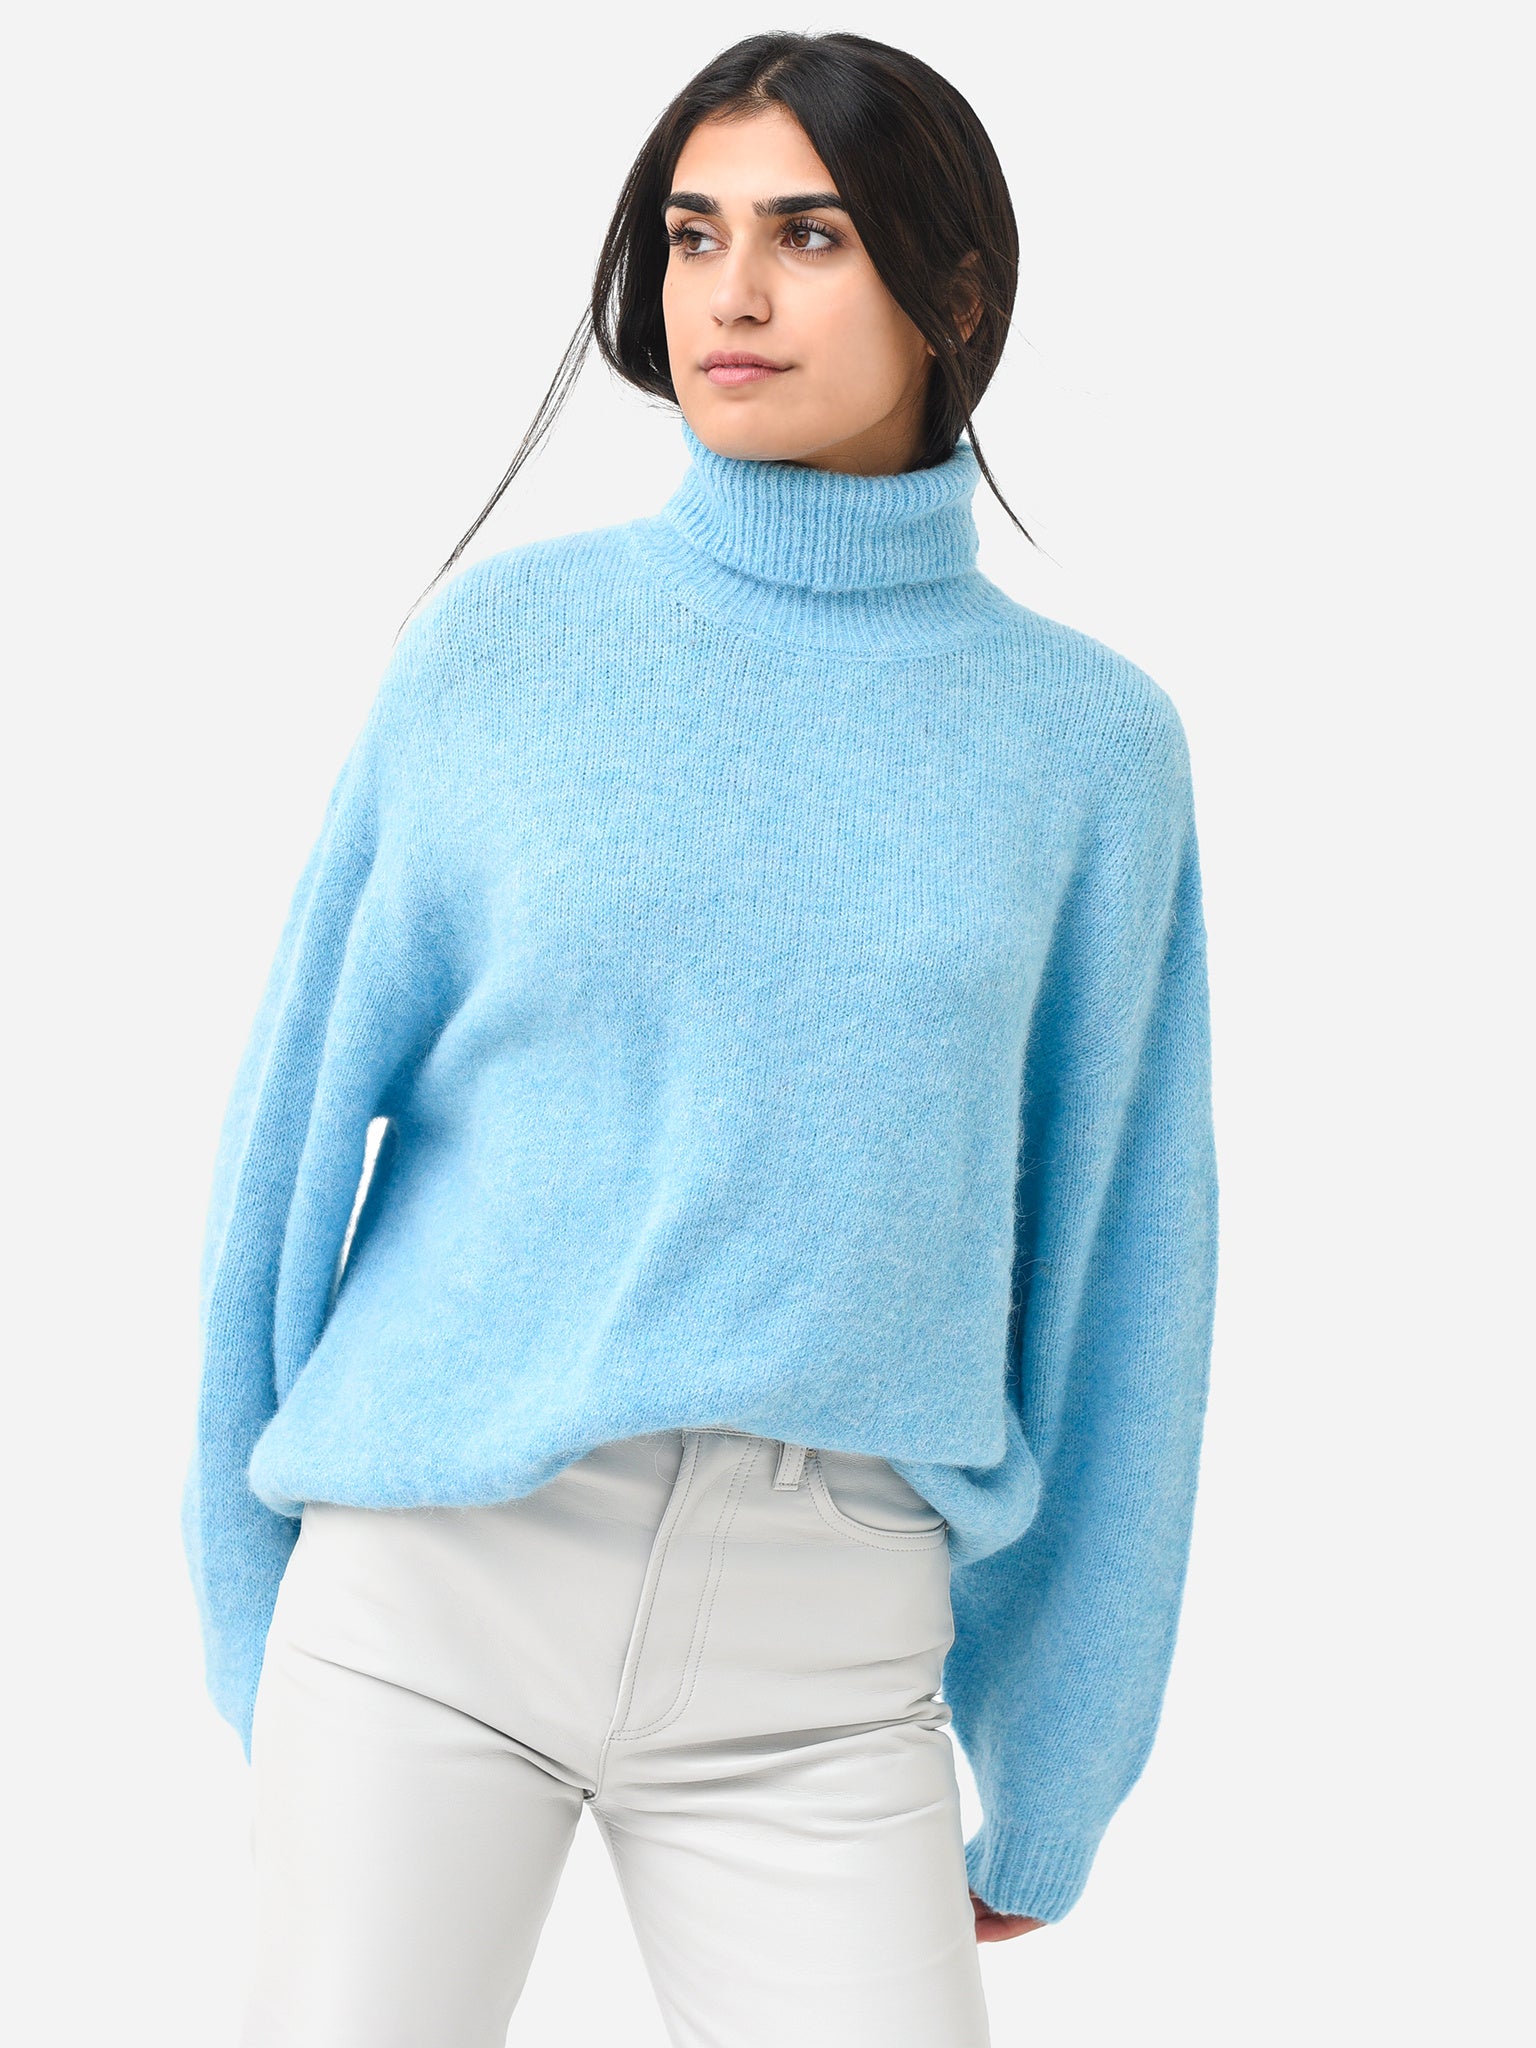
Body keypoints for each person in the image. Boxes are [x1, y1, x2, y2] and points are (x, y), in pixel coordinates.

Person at [181, 29, 1219, 2048]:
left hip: (826, 1657)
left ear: (955, 290)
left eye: (808, 236)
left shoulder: (1092, 748)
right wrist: (252, 1606)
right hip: (430, 1597)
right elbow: (285, 1143)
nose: (730, 294)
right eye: (691, 233)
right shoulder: (498, 652)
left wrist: (1058, 1760)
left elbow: (1125, 1274)